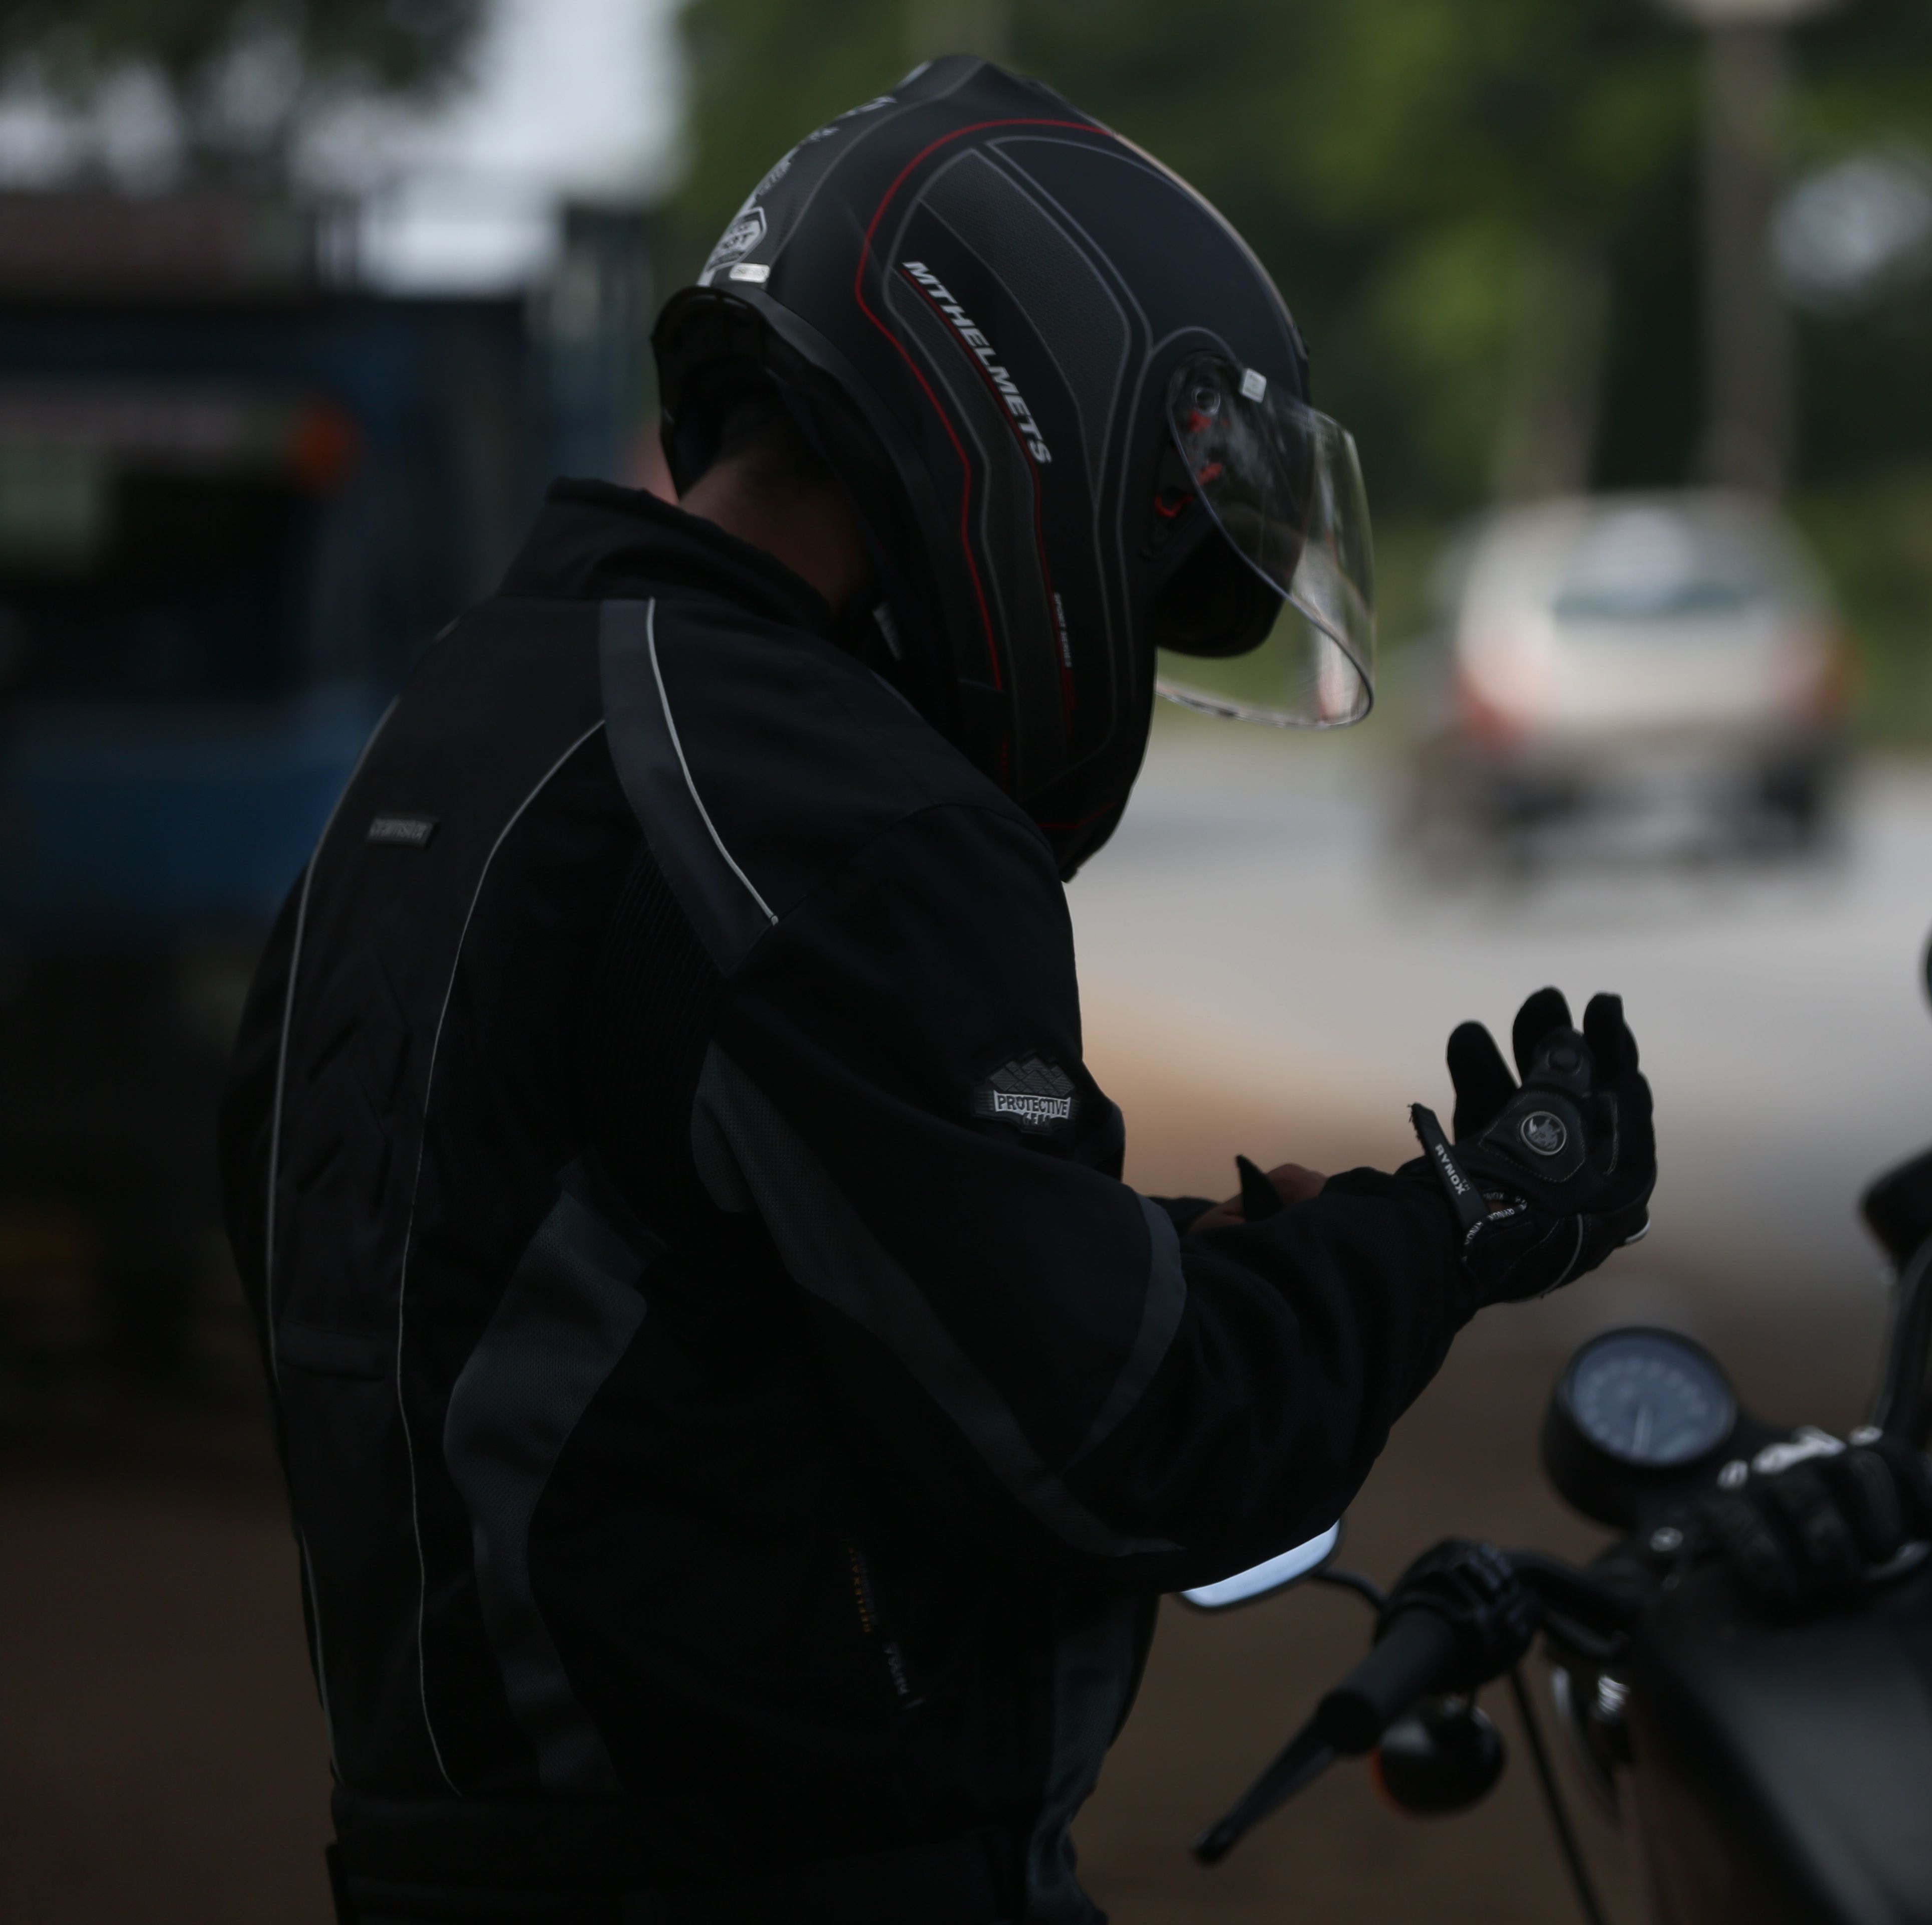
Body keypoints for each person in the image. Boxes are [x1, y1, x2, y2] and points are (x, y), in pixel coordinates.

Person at [218, 57, 1657, 1924]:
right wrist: (1461, 1220)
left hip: (452, 1843)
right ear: (1033, 412)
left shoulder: (487, 711)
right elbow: (1125, 1446)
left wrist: (1181, 1260)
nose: (1123, 648)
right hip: (776, 1869)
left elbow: (679, 1268)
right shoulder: (831, 812)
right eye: (1149, 577)